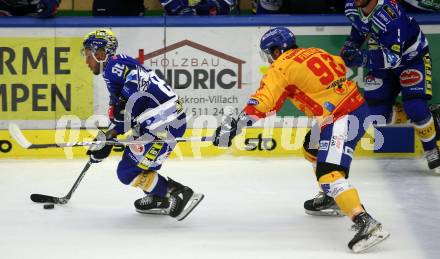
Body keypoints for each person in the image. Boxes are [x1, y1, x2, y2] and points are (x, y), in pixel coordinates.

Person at [212, 27, 390, 252]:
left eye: (269, 52)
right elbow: (338, 67)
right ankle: (332, 197)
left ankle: (365, 221)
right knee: (311, 149)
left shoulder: (281, 66)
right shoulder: (315, 52)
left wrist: (233, 127)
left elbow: (263, 103)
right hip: (351, 107)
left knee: (329, 173)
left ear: (277, 50)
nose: (269, 58)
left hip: (343, 117)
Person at [82, 29, 204, 220]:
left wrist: (113, 133)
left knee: (127, 172)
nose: (86, 61)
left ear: (100, 53)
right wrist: (109, 136)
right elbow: (123, 106)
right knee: (136, 163)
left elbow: (133, 101)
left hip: (163, 126)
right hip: (160, 123)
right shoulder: (116, 67)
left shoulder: (114, 66)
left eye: (88, 55)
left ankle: (177, 194)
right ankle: (158, 198)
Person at [340, 0, 440, 171]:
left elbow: (394, 58)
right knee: (375, 114)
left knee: (415, 106)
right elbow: (360, 27)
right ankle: (428, 116)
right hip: (380, 64)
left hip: (412, 60)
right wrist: (352, 45)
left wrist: (362, 58)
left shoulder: (389, 14)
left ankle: (432, 149)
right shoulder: (352, 5)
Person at [159, 0, 236, 15]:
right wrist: (181, 10)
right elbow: (168, 3)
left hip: (215, 28)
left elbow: (230, 2)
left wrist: (215, 5)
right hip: (177, 27)